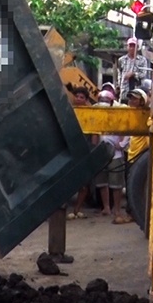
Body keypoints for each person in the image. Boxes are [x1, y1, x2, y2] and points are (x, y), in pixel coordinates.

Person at [67, 87, 92, 220]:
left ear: (86, 100)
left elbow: (94, 133)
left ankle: (77, 210)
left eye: (81, 97)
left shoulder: (90, 113)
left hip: (84, 150)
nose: (78, 98)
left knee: (83, 184)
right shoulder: (68, 110)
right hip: (69, 150)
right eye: (76, 96)